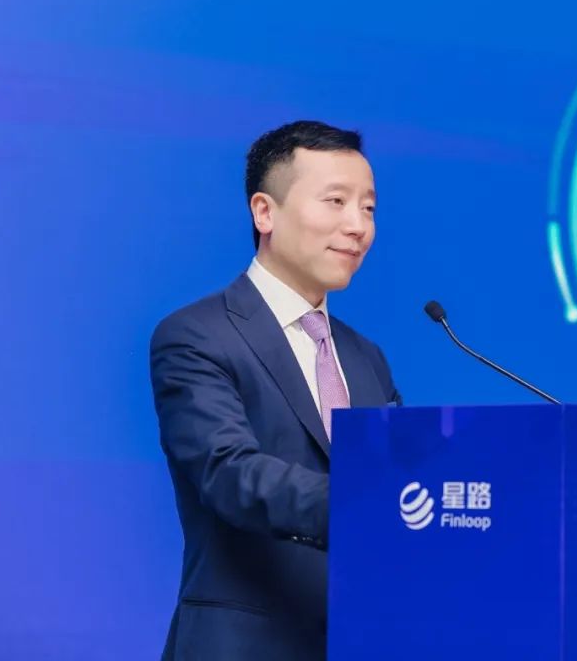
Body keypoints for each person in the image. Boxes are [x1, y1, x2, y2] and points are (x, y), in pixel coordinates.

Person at [150, 120, 401, 659]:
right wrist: (369, 501)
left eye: (369, 208)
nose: (358, 226)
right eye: (336, 201)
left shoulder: (367, 358)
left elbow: (403, 479)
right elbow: (228, 472)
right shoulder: (197, 336)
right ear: (264, 212)